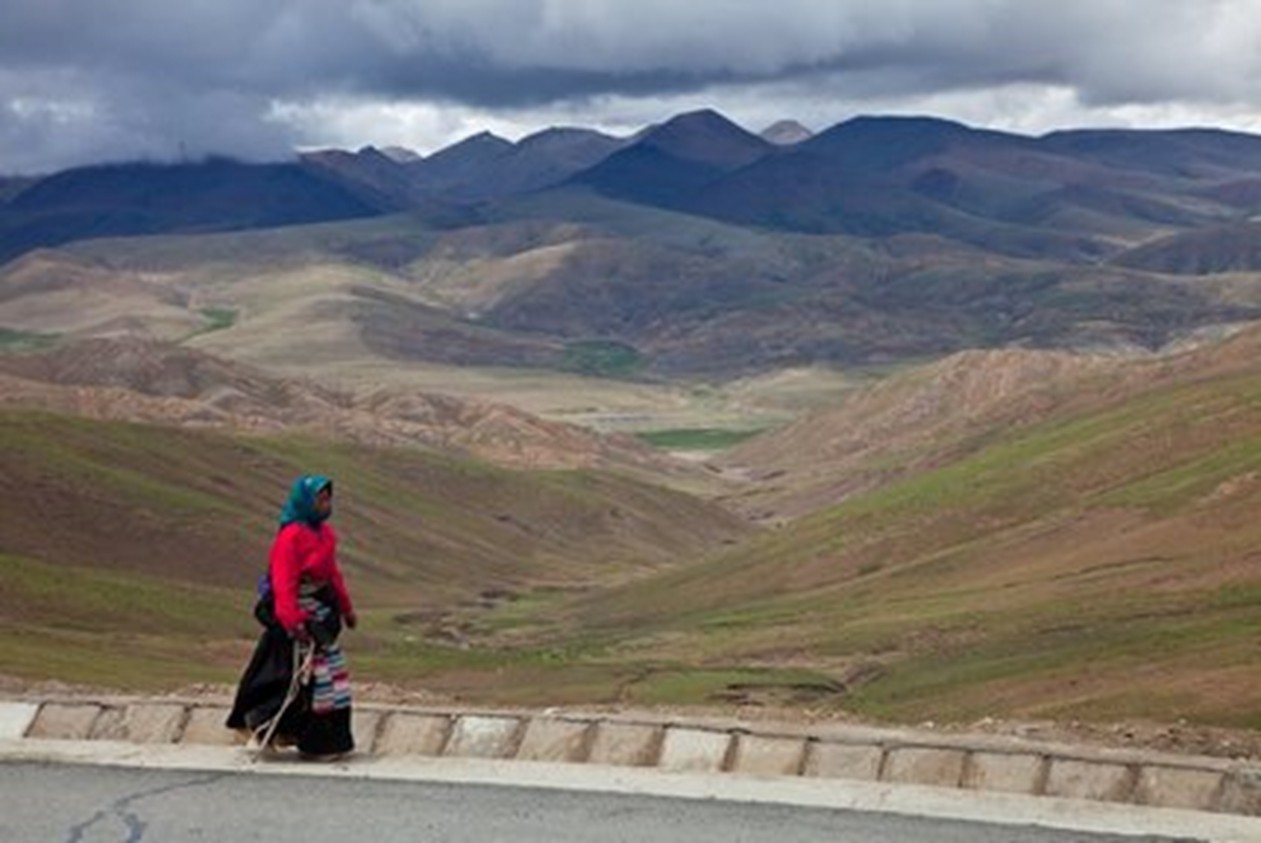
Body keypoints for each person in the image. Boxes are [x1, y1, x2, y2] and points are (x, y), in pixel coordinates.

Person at [227, 474, 358, 758]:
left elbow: (332, 575)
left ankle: (321, 742)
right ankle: (263, 728)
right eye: (321, 499)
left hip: (320, 615)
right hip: (296, 618)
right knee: (288, 677)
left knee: (330, 679)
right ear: (307, 502)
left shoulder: (325, 535)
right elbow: (284, 582)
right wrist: (292, 622)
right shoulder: (290, 537)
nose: (327, 504)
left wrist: (346, 609)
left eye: (328, 499)